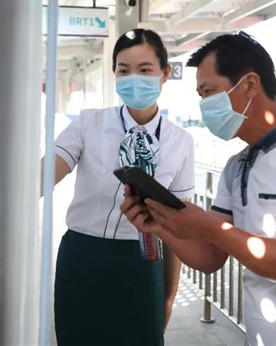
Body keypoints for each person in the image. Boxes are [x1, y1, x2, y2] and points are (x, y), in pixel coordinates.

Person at [121, 32, 276, 345]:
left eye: (209, 92)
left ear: (250, 84)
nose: (204, 106)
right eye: (200, 96)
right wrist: (160, 225)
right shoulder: (237, 167)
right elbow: (209, 257)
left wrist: (211, 228)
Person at [50, 28, 195, 346]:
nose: (133, 79)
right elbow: (47, 172)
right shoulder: (88, 124)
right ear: (114, 74)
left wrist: (169, 296)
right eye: (124, 70)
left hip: (143, 260)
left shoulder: (181, 142)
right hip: (83, 257)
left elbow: (179, 226)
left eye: (145, 70)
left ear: (165, 73)